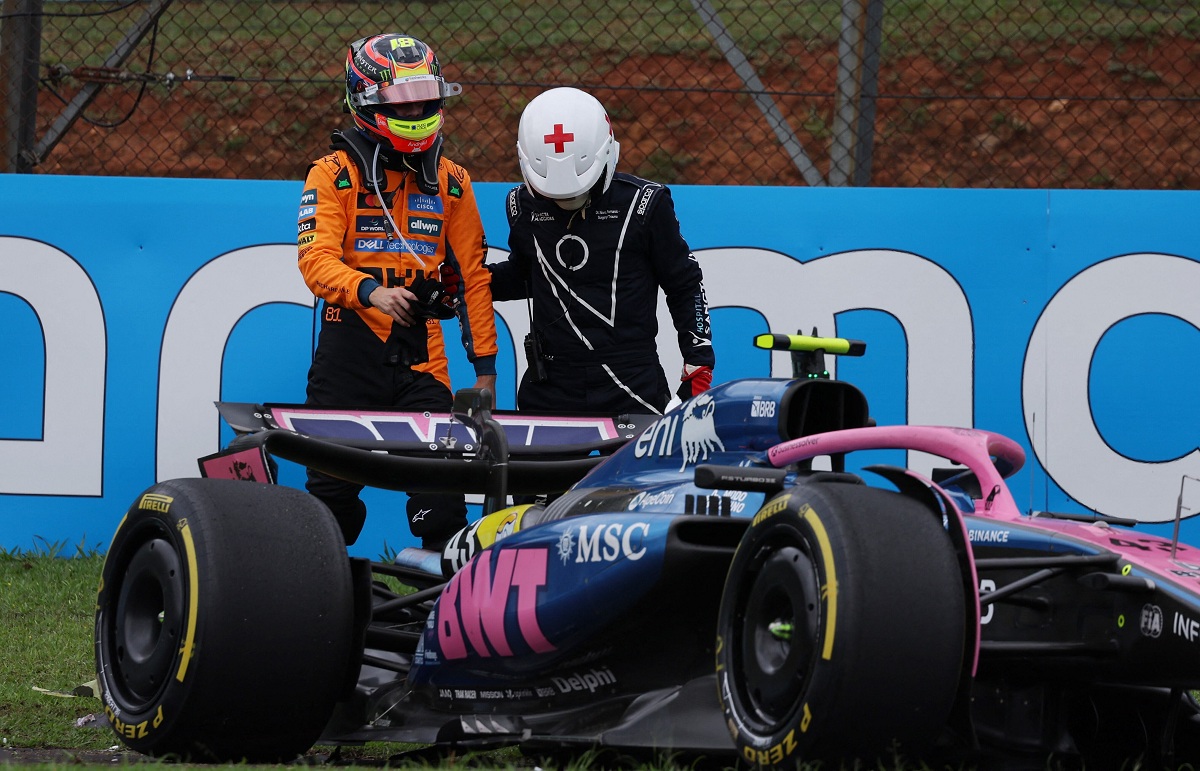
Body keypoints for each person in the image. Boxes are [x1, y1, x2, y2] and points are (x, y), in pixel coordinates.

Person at [297, 33, 498, 549]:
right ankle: (324, 607)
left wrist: (485, 372)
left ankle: (437, 615)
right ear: (365, 100)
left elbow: (474, 275)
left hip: (423, 360)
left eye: (425, 98)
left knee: (442, 507)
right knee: (329, 509)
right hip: (347, 355)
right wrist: (369, 292)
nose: (416, 110)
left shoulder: (454, 182)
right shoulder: (331, 173)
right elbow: (314, 260)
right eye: (401, 102)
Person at [488, 86, 714, 417]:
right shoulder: (519, 206)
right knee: (535, 471)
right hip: (550, 382)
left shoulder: (645, 204)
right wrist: (471, 282)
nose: (564, 202)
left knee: (641, 471)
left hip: (631, 380)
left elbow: (684, 282)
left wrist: (698, 361)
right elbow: (527, 274)